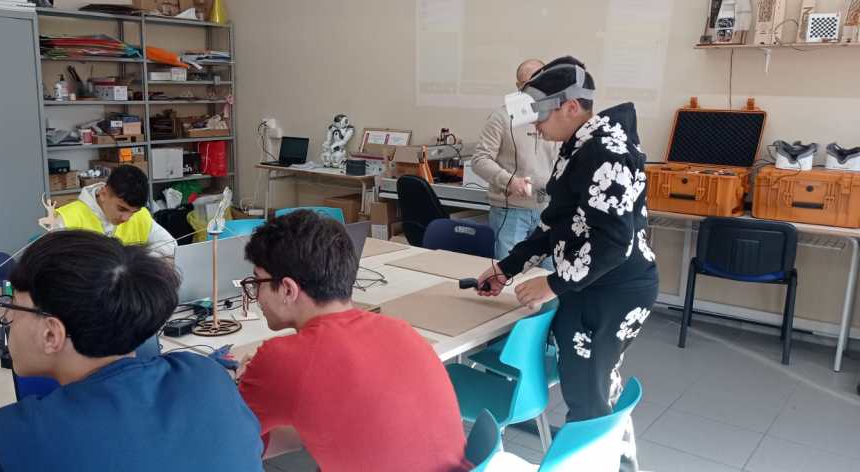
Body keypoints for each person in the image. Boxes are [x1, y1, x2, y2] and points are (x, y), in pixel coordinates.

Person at [475, 56, 658, 470]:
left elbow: (614, 243)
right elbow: (558, 222)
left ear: (571, 107)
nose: (535, 126)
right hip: (593, 286)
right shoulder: (581, 146)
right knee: (596, 389)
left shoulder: (606, 151)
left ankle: (593, 461)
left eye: (539, 115)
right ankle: (615, 461)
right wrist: (509, 266)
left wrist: (553, 284)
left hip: (610, 291)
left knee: (588, 400)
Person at [0, 230, 263, 472]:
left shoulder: (16, 436)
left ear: (51, 333)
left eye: (12, 307)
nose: (8, 319)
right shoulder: (207, 376)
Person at [236, 210, 469, 472]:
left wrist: (229, 386)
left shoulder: (282, 359)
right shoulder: (400, 330)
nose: (256, 295)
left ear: (288, 289)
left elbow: (227, 443)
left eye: (257, 283)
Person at [471, 59, 561, 261]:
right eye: (528, 84)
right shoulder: (501, 118)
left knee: (548, 273)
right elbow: (480, 159)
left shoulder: (555, 117)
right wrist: (509, 181)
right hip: (510, 213)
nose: (534, 89)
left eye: (540, 81)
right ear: (518, 86)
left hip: (547, 211)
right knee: (509, 271)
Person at [53, 165, 175, 257]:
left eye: (133, 212)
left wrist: (138, 262)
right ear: (103, 194)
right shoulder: (66, 220)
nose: (126, 218)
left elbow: (170, 246)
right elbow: (53, 267)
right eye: (122, 209)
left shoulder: (141, 215)